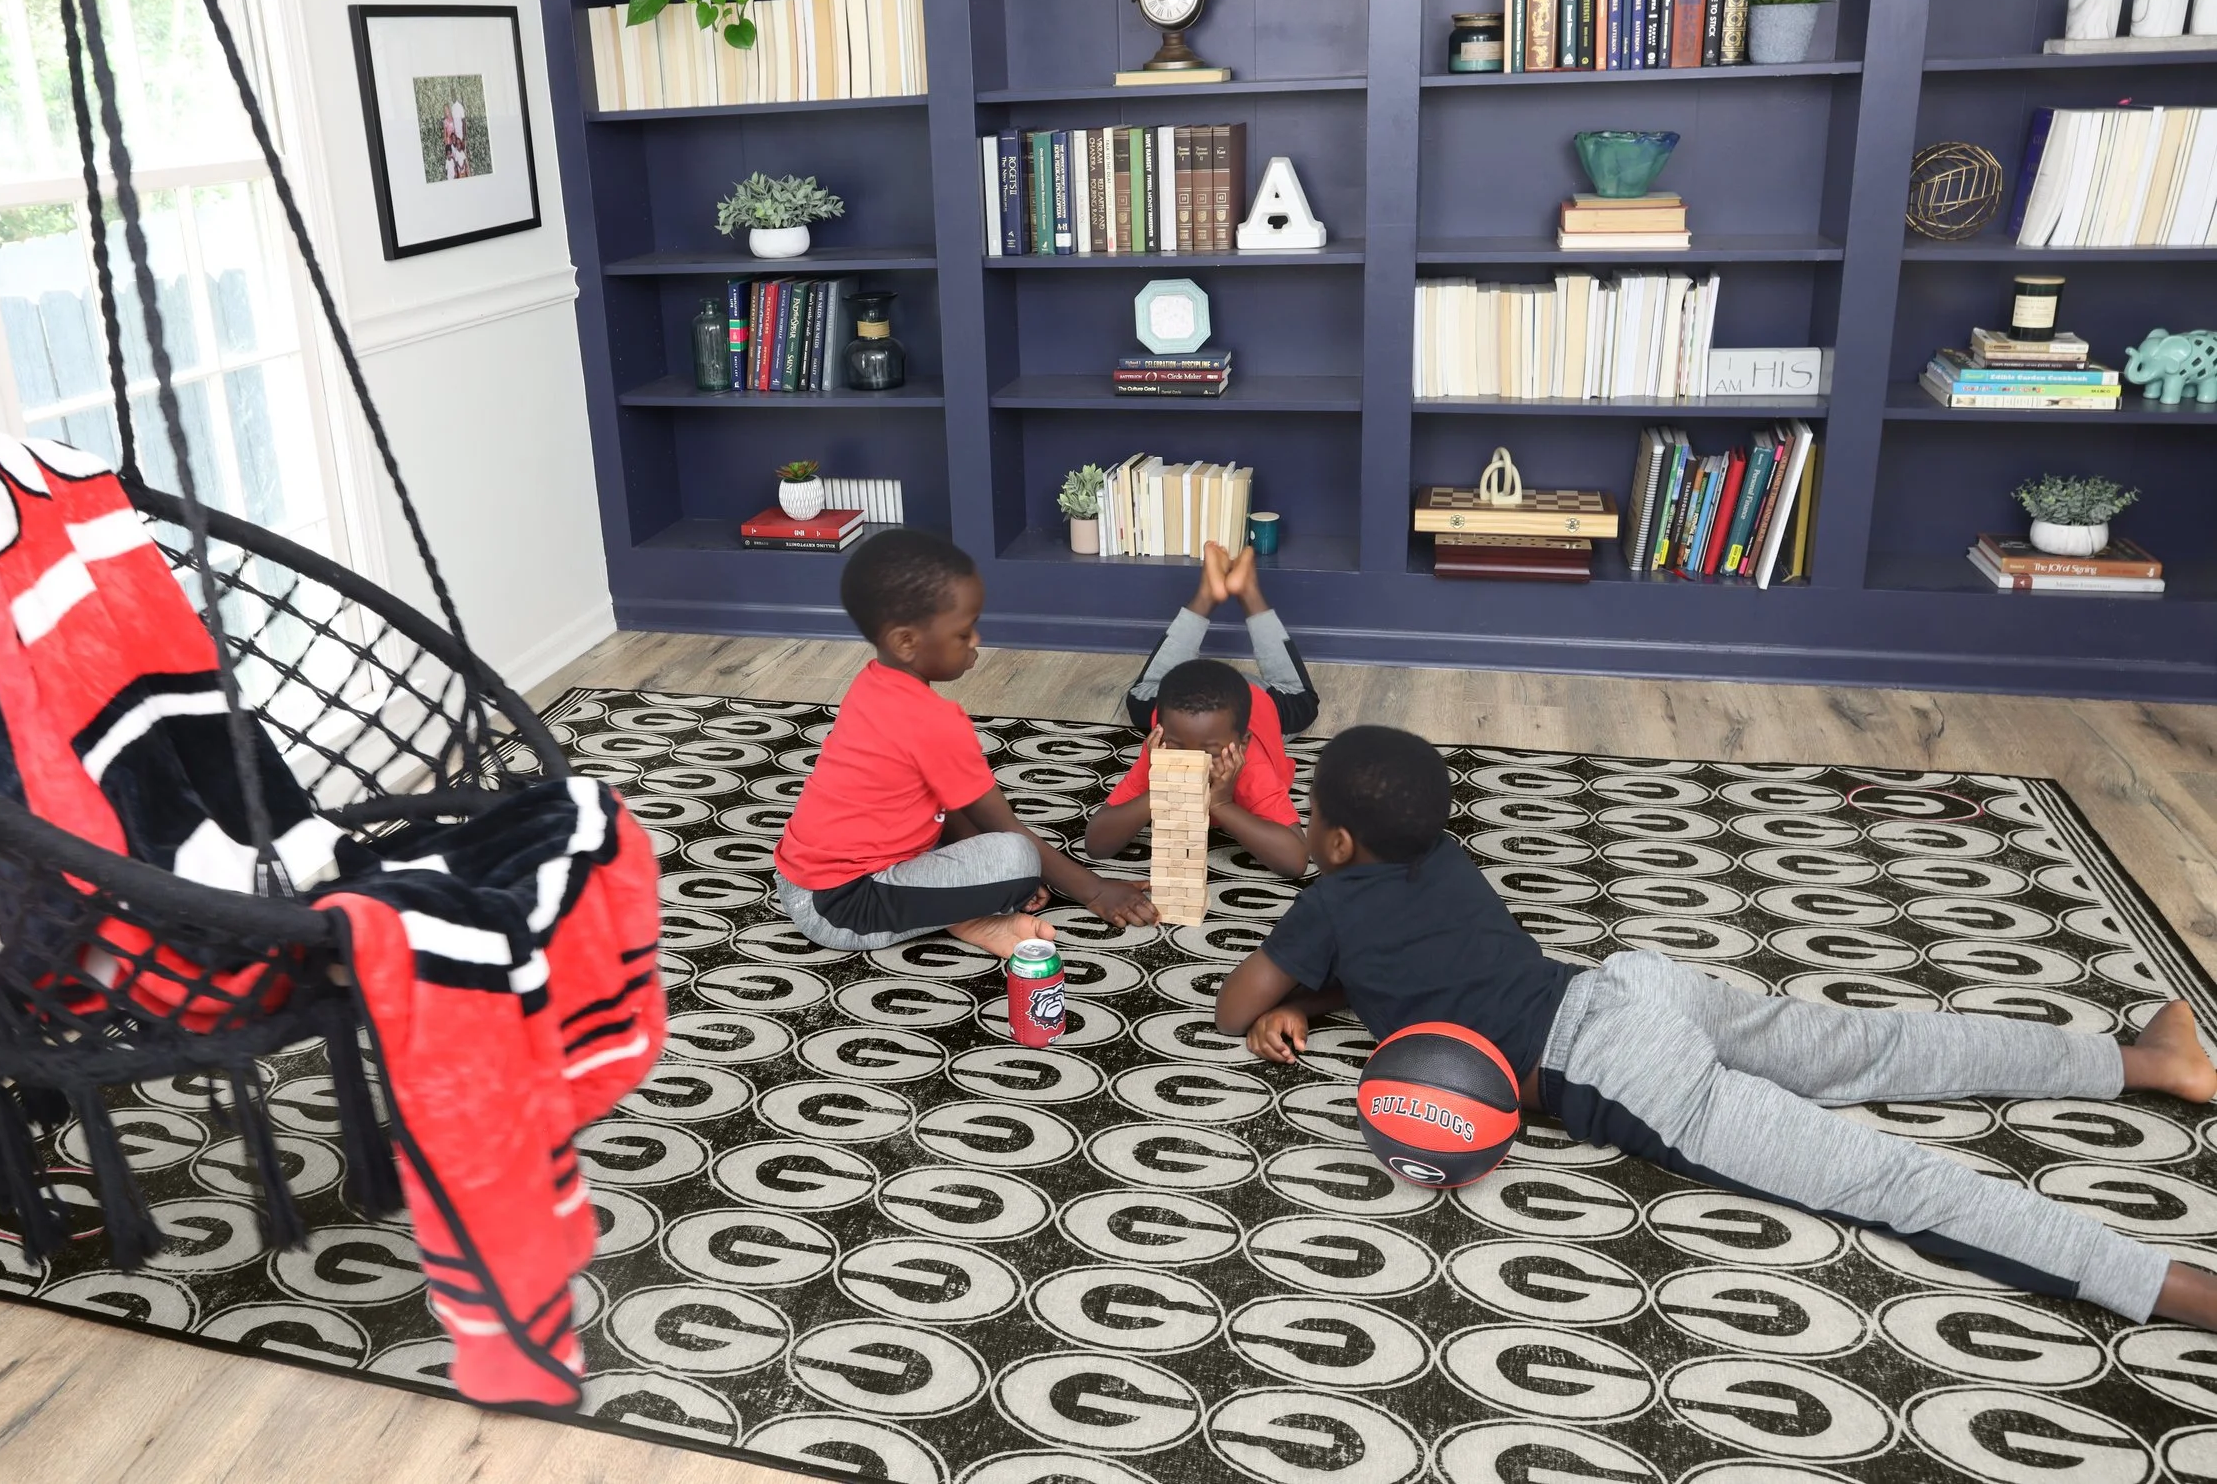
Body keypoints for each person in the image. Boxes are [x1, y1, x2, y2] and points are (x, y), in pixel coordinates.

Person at [1215, 723, 2217, 1331]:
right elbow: (1410, 963)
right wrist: (1313, 998)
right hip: (1638, 986)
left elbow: (1232, 1005)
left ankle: (2174, 1288)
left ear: (1333, 839)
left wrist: (1286, 990)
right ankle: (2146, 1059)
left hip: (1613, 1067)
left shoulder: (1328, 904)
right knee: (1873, 1043)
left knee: (1884, 1178)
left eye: (1309, 816)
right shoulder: (1444, 857)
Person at [774, 529, 1157, 960]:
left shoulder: (870, 684)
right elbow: (1005, 829)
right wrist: (1096, 891)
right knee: (1017, 860)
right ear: (905, 642)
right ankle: (969, 916)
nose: (976, 639)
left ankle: (969, 914)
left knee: (987, 848)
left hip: (800, 879)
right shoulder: (935, 721)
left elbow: (946, 800)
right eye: (963, 632)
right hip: (841, 907)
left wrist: (977, 872)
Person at [1084, 544, 1313, 876]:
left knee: (1302, 702)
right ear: (1159, 733)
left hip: (1263, 700)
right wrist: (1158, 789)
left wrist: (1222, 803)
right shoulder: (1160, 751)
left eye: (1209, 751)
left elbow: (1295, 861)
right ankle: (1207, 593)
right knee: (1141, 699)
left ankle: (1249, 592)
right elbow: (1096, 844)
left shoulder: (1249, 764)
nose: (1191, 761)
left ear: (1242, 744)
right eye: (1178, 747)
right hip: (1186, 703)